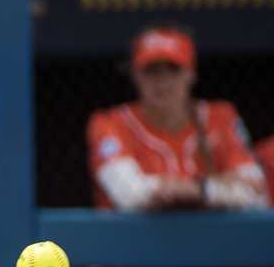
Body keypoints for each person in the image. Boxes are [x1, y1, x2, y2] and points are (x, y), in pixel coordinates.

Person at [86, 25, 268, 211]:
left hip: (210, 237)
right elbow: (129, 194)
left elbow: (256, 193)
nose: (163, 81)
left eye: (173, 70)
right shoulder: (109, 123)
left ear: (191, 74)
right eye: (152, 71)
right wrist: (216, 187)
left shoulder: (220, 117)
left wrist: (199, 189)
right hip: (132, 239)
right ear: (135, 75)